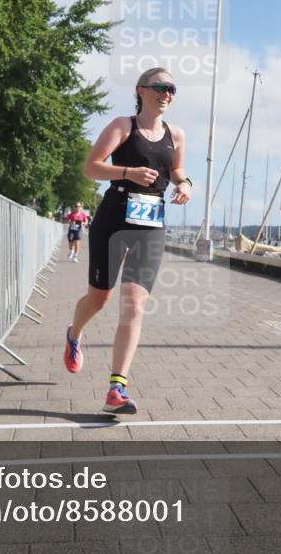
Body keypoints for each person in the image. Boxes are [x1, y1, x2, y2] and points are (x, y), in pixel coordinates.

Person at [62, 67, 192, 415]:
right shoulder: (123, 126)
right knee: (99, 299)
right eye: (161, 87)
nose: (167, 94)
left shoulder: (176, 134)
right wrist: (127, 173)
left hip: (151, 222)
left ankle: (116, 389)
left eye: (172, 89)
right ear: (141, 90)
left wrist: (185, 184)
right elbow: (91, 168)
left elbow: (176, 169)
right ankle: (74, 334)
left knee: (134, 304)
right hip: (115, 217)